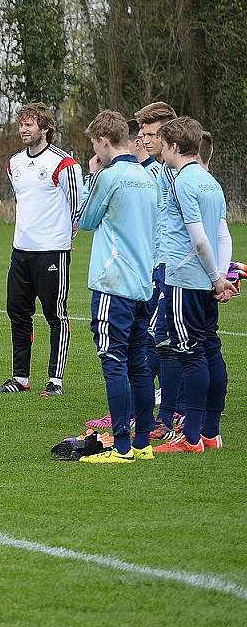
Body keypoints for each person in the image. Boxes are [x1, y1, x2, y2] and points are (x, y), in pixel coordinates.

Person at [73, 110, 158, 463]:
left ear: (103, 142)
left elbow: (86, 219)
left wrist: (92, 176)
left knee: (113, 361)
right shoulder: (149, 176)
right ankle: (143, 443)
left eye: (94, 144)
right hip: (141, 284)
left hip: (113, 283)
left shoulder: (111, 176)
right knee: (138, 363)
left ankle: (120, 447)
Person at [152, 117, 232, 455]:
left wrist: (216, 276)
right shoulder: (211, 181)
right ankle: (211, 433)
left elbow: (199, 237)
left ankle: (192, 437)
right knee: (211, 349)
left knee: (190, 355)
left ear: (173, 147)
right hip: (207, 280)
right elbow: (222, 234)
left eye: (163, 146)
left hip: (185, 279)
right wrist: (222, 275)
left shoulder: (184, 181)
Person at [0, 103, 82, 397]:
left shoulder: (64, 163)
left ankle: (55, 380)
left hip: (52, 251)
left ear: (45, 128)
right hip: (20, 251)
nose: (23, 129)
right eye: (21, 124)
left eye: (30, 124)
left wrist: (66, 235)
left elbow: (78, 206)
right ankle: (20, 378)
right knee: (17, 313)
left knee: (55, 315)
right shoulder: (14, 163)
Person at [134, 102, 178, 438]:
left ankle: (166, 416)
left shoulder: (177, 174)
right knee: (153, 339)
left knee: (160, 341)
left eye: (151, 133)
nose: (145, 139)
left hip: (172, 269)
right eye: (142, 133)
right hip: (153, 266)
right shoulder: (161, 171)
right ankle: (147, 410)